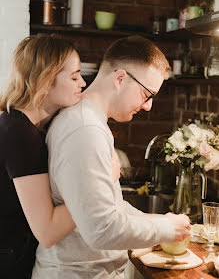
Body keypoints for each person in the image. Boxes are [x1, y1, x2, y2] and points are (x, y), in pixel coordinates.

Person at [32, 35, 190, 279]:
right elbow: (101, 229)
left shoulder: (90, 122)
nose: (148, 106)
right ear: (120, 79)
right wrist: (165, 229)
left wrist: (161, 221)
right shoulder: (85, 130)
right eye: (147, 94)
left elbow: (108, 208)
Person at [0, 34, 86, 278]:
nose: (82, 83)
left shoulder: (25, 125)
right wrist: (93, 192)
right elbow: (47, 231)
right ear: (46, 80)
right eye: (74, 76)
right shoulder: (20, 134)